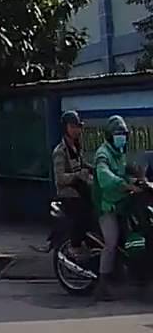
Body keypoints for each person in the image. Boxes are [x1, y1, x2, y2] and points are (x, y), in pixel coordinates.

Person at [93, 115, 138, 301]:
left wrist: (137, 179)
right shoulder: (103, 154)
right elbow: (105, 177)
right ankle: (102, 285)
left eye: (124, 134)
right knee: (111, 242)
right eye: (118, 134)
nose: (122, 137)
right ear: (110, 136)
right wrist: (124, 184)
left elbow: (125, 172)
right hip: (106, 206)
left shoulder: (119, 153)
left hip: (121, 203)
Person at [52, 111, 93, 250]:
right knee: (84, 212)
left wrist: (96, 168)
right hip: (68, 193)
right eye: (72, 127)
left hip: (81, 189)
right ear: (65, 128)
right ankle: (76, 246)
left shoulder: (76, 147)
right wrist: (77, 175)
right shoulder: (60, 151)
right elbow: (60, 178)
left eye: (78, 127)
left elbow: (83, 164)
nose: (76, 130)